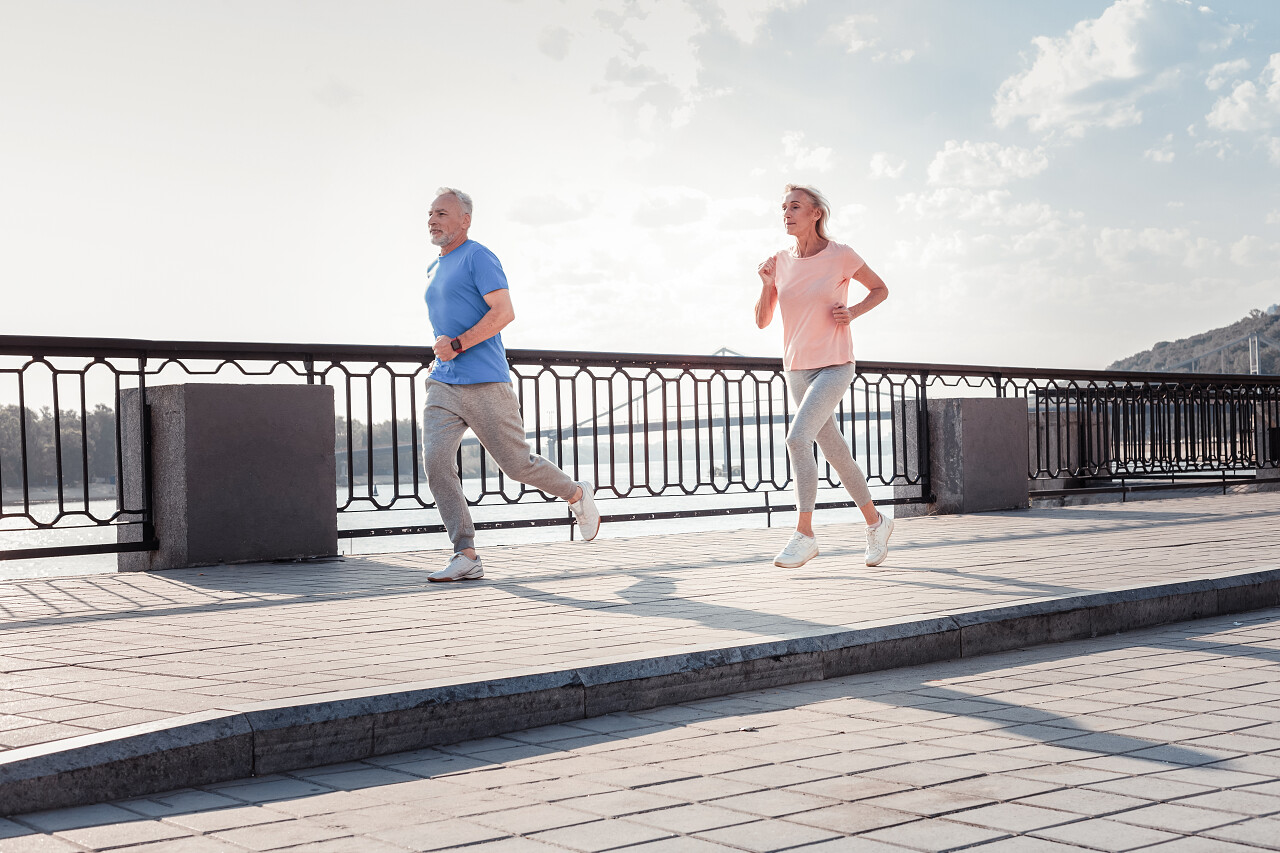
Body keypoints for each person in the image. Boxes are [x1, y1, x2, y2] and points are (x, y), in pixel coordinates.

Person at [421, 187, 599, 581]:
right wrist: (444, 352)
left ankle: (575, 493)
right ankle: (465, 552)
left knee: (517, 465)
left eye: (443, 213)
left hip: (485, 382)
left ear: (465, 220)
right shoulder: (433, 267)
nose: (433, 219)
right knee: (435, 464)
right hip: (443, 381)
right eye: (431, 213)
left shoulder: (479, 256)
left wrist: (457, 344)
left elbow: (504, 313)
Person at [754, 184, 893, 569]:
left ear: (816, 213)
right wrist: (767, 286)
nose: (787, 213)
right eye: (783, 207)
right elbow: (763, 320)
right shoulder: (779, 262)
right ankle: (876, 522)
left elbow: (880, 289)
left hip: (834, 364)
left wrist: (855, 312)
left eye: (795, 206)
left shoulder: (841, 255)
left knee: (797, 439)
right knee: (834, 450)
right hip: (796, 369)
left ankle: (805, 534)